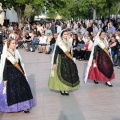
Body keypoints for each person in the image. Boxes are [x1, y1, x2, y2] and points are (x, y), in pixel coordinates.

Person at [0, 38, 34, 113]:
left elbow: (19, 64)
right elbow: (4, 68)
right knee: (13, 92)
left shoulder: (16, 52)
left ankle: (25, 106)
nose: (14, 45)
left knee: (23, 90)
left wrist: (24, 72)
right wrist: (5, 79)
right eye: (13, 43)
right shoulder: (5, 55)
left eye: (15, 43)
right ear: (8, 44)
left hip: (19, 74)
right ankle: (15, 107)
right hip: (10, 75)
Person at [48, 30, 80, 95]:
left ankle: (66, 88)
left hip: (68, 59)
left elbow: (70, 52)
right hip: (60, 59)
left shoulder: (68, 42)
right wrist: (54, 63)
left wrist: (72, 59)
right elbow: (56, 54)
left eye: (66, 34)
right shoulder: (59, 43)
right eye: (64, 34)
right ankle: (62, 89)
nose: (66, 35)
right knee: (61, 74)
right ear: (62, 35)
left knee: (67, 74)